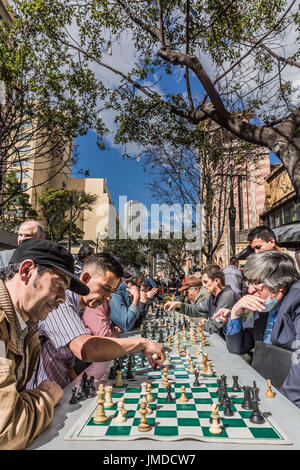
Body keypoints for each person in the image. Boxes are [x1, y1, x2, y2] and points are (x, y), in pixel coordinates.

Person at [0, 237, 90, 450]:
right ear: (26, 271)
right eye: (58, 284)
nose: (62, 298)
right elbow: (6, 432)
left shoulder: (27, 324)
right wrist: (45, 397)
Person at [27, 255, 165, 389]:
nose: (109, 297)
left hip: (59, 395)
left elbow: (66, 360)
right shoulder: (61, 303)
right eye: (105, 288)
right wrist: (141, 343)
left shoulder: (80, 307)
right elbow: (86, 349)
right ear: (86, 278)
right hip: (40, 399)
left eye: (112, 291)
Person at [213, 250, 300, 408]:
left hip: (288, 398)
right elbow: (237, 347)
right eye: (249, 282)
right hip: (264, 385)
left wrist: (284, 406)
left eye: (256, 283)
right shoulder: (265, 305)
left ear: (280, 285)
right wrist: (236, 314)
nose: (250, 290)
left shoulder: (297, 299)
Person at [164, 265, 239, 335]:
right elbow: (197, 309)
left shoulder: (227, 296)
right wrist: (179, 305)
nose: (203, 286)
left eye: (205, 282)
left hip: (226, 343)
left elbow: (214, 327)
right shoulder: (212, 296)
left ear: (216, 281)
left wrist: (203, 324)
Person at [109, 266, 144, 333]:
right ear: (127, 282)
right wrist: (136, 297)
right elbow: (126, 324)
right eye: (137, 286)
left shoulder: (127, 294)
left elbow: (137, 323)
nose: (139, 289)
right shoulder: (115, 294)